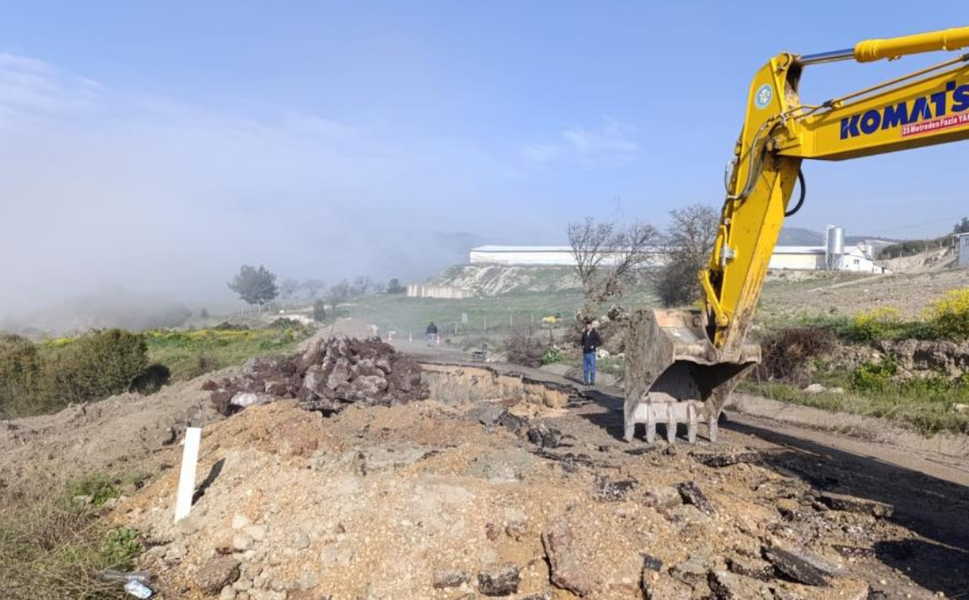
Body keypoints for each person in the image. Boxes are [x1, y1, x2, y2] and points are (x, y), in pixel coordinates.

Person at [580, 319, 602, 386]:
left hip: (592, 353)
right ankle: (586, 381)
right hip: (585, 353)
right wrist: (582, 346)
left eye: (589, 326)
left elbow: (600, 342)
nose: (588, 327)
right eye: (586, 326)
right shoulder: (584, 333)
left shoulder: (595, 333)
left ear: (591, 326)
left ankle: (592, 381)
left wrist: (594, 346)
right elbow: (581, 341)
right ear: (585, 326)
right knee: (585, 369)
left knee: (592, 368)